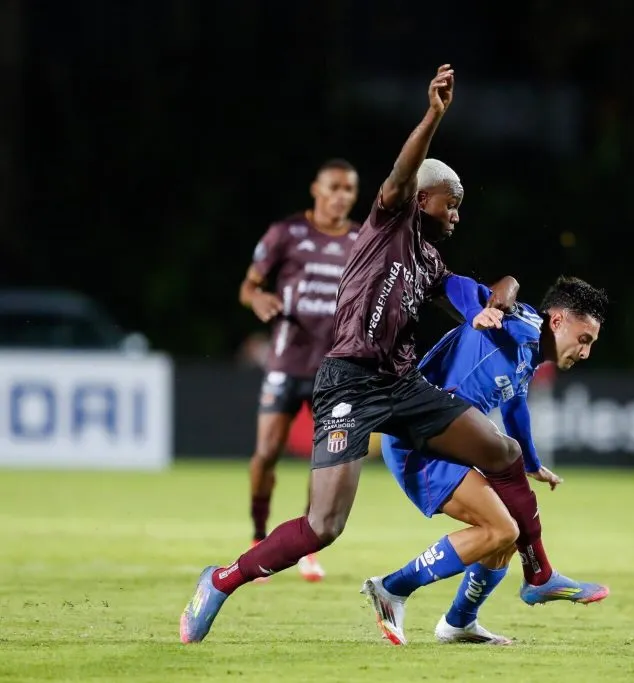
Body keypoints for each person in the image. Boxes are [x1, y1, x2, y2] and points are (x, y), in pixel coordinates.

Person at [180, 64, 539, 645]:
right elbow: (402, 170)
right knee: (324, 527)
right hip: (348, 383)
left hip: (404, 387)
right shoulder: (388, 221)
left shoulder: (429, 259)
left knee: (503, 449)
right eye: (451, 204)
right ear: (422, 199)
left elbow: (474, 291)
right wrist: (433, 117)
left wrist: (496, 299)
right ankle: (221, 580)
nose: (457, 214)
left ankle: (535, 566)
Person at [364, 275, 611, 646]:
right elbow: (459, 284)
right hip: (417, 443)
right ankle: (392, 588)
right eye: (584, 339)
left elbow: (515, 410)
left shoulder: (527, 354)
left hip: (445, 442)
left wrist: (531, 462)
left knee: (509, 529)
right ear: (557, 321)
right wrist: (490, 306)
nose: (585, 352)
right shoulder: (521, 324)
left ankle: (460, 622)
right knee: (503, 530)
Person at [239, 159, 361, 582]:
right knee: (266, 453)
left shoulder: (361, 239)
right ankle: (259, 536)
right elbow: (249, 286)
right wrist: (258, 301)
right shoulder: (286, 234)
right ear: (316, 188)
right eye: (334, 187)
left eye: (349, 189)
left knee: (323, 459)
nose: (341, 195)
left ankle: (307, 543)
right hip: (286, 362)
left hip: (334, 367)